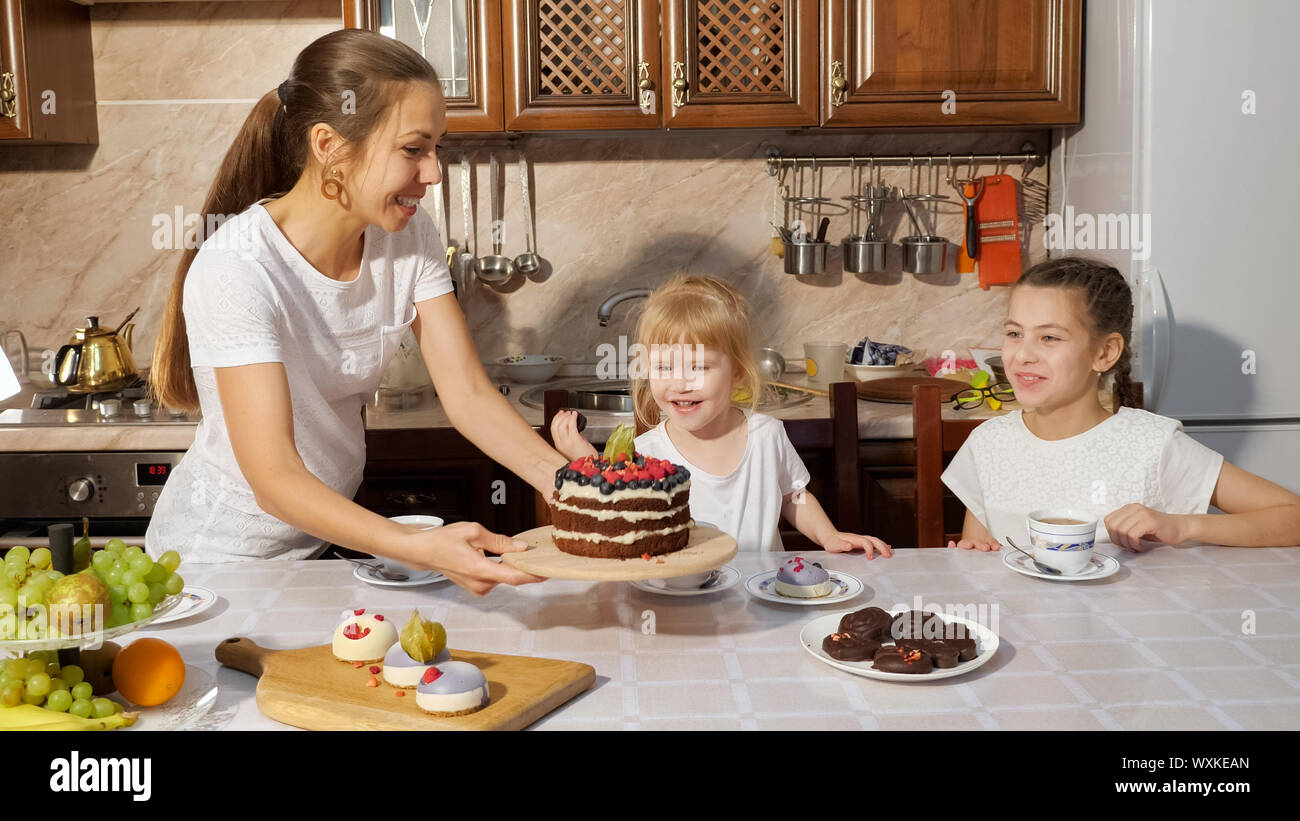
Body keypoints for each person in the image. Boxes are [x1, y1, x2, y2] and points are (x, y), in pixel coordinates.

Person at [145, 30, 560, 594]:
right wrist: (418, 547)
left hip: (314, 546)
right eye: (414, 149)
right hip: (216, 566)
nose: (434, 173)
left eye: (437, 147)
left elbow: (465, 393)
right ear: (329, 145)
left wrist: (568, 481)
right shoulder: (238, 267)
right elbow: (274, 479)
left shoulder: (407, 238)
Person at [942, 257, 1300, 551]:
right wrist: (975, 552)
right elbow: (982, 557)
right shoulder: (988, 442)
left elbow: (1292, 516)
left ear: (1104, 352)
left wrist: (1182, 526)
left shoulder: (1152, 445)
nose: (1023, 354)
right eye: (1014, 333)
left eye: (1049, 337)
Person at [552, 275, 892, 556]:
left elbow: (793, 496)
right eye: (663, 367)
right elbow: (621, 515)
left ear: (739, 372)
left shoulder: (766, 434)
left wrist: (829, 536)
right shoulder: (645, 454)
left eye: (699, 367)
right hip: (680, 603)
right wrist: (587, 461)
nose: (680, 383)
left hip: (761, 597)